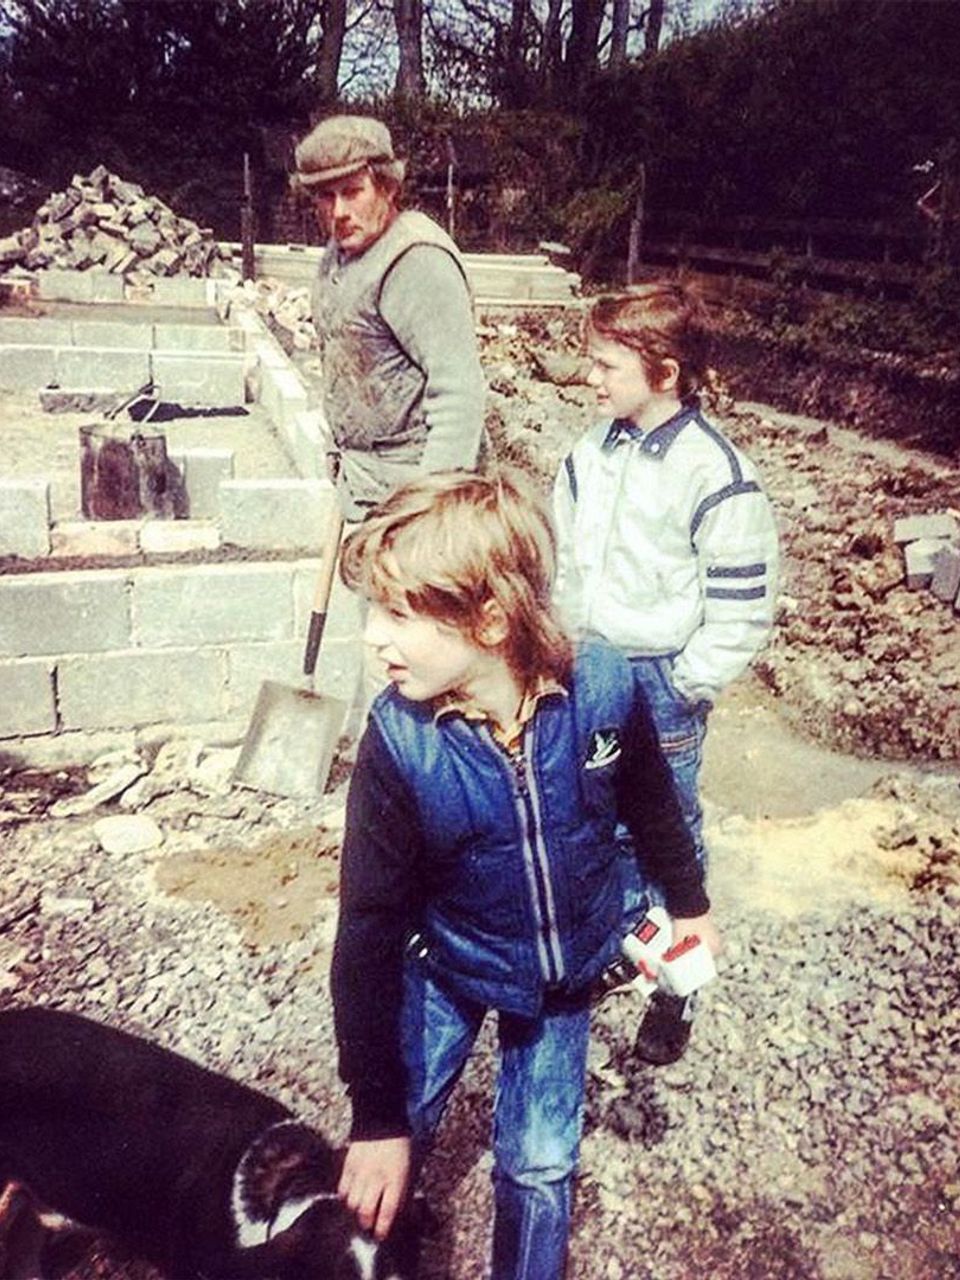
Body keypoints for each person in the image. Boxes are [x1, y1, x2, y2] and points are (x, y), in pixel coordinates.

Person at [330, 470, 720, 1279]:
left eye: (398, 613)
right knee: (400, 1127)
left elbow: (654, 803)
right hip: (448, 961)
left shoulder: (602, 685)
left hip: (564, 976)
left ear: (490, 619)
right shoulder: (401, 741)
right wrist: (373, 1116)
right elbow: (365, 930)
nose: (372, 636)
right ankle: (364, 1259)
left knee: (541, 1166)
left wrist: (689, 904)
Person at [553, 282, 778, 1067]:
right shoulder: (589, 453)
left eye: (606, 365)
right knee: (595, 817)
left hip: (661, 681)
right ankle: (623, 943)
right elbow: (562, 561)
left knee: (668, 832)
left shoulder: (715, 474)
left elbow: (742, 606)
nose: (590, 378)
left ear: (665, 373)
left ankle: (679, 985)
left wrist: (688, 683)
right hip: (588, 666)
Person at [293, 114, 487, 521]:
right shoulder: (340, 253)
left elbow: (459, 394)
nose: (338, 211)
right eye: (325, 197)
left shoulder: (416, 262)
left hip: (417, 492)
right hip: (366, 487)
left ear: (388, 186)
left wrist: (429, 510)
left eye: (352, 192)